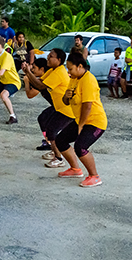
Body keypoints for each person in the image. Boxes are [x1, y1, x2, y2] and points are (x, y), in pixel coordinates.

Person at [55, 52, 107, 187]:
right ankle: (75, 169)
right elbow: (66, 102)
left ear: (80, 66)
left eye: (70, 68)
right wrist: (66, 96)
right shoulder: (74, 78)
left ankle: (95, 176)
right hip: (80, 120)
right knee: (60, 140)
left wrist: (81, 126)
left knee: (81, 146)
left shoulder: (89, 79)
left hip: (95, 121)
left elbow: (87, 106)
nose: (68, 71)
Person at [23, 49, 75, 168]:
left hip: (66, 109)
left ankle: (59, 158)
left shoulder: (59, 72)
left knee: (52, 131)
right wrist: (28, 73)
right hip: (59, 107)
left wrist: (28, 73)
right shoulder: (52, 70)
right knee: (47, 125)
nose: (48, 58)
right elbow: (39, 81)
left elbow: (40, 86)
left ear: (59, 60)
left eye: (51, 56)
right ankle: (55, 151)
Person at [22, 58, 53, 150]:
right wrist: (27, 73)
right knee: (44, 119)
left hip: (62, 106)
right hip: (56, 106)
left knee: (44, 119)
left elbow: (30, 94)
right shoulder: (44, 78)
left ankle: (50, 143)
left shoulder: (46, 81)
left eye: (34, 68)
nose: (32, 70)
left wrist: (27, 82)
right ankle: (49, 141)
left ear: (42, 69)